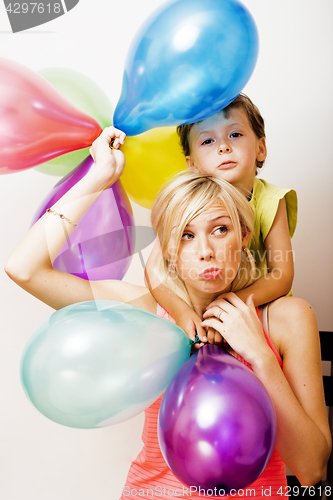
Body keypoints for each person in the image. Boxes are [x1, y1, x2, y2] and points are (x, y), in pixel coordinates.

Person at [5, 127, 331, 499]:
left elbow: (312, 469)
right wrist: (100, 177)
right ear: (169, 250)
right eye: (186, 235)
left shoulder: (288, 318)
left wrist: (259, 355)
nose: (206, 250)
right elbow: (24, 269)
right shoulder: (145, 311)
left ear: (243, 235)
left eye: (220, 229)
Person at [145, 94, 298, 343]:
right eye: (207, 140)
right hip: (200, 313)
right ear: (192, 164)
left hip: (255, 311)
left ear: (261, 148)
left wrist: (229, 307)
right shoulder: (187, 206)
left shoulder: (272, 200)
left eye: (235, 135)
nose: (223, 147)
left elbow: (282, 275)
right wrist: (181, 311)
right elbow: (153, 271)